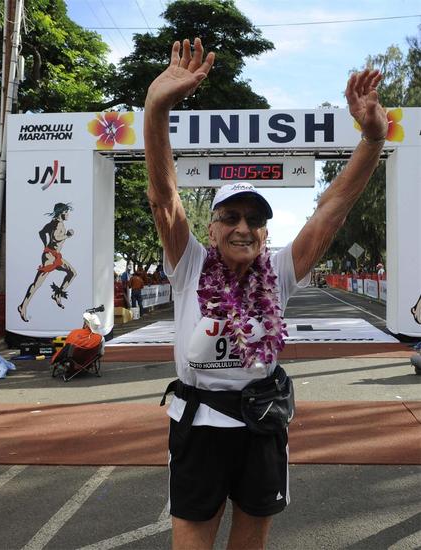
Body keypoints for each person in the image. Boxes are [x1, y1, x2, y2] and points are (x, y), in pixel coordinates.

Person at [144, 38, 388, 549]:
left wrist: (371, 139)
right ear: (211, 228)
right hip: (198, 428)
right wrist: (156, 109)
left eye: (255, 220)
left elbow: (333, 209)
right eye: (231, 217)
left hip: (262, 424)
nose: (243, 227)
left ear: (265, 232)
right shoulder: (189, 264)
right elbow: (165, 199)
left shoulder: (278, 271)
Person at [18, 202, 77, 322]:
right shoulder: (58, 224)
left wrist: (45, 245)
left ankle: (57, 294)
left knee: (72, 273)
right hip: (49, 258)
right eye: (66, 212)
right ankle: (22, 306)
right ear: (61, 213)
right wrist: (67, 235)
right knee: (37, 284)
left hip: (55, 256)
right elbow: (56, 237)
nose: (68, 214)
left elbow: (41, 232)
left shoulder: (52, 223)